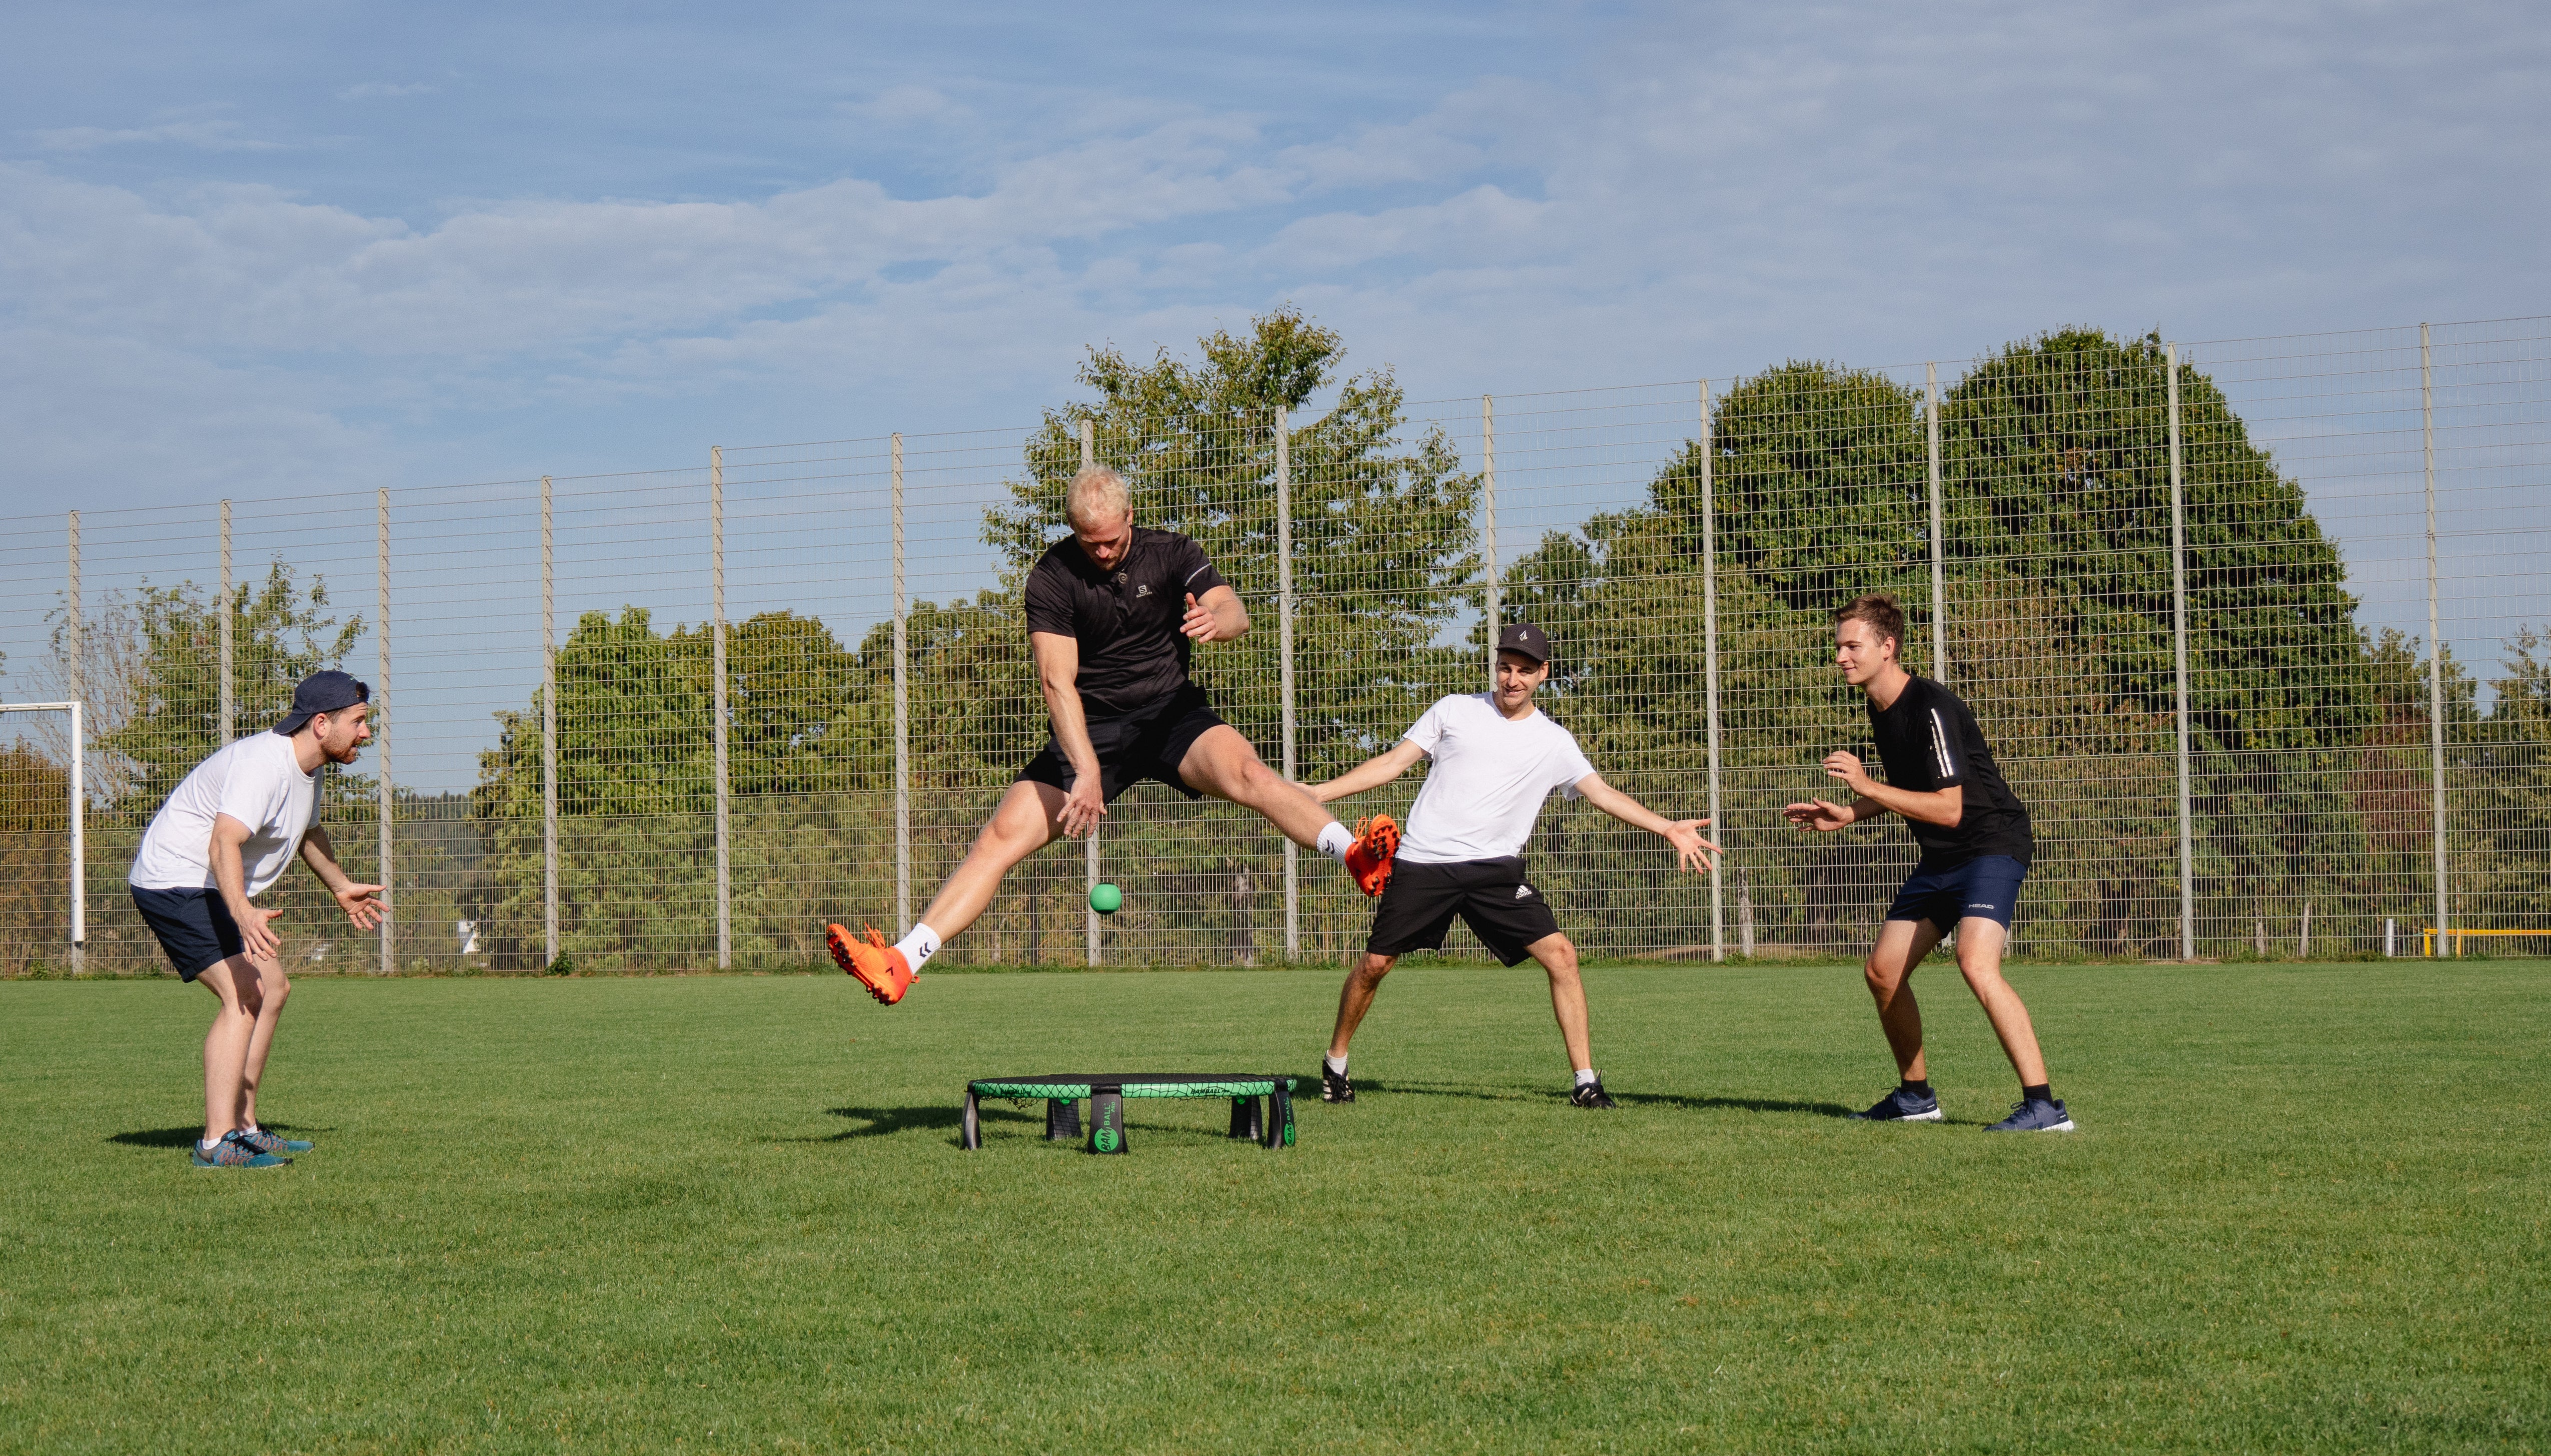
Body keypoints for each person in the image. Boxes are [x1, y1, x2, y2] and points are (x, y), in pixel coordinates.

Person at [827, 466, 1396, 1003]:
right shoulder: (1052, 576)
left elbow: (1234, 610)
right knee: (1001, 835)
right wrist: (1087, 769)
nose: (1101, 552)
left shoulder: (1173, 552)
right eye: (1088, 540)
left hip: (1173, 716)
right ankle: (902, 961)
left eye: (1111, 540)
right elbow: (1057, 682)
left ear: (1129, 517)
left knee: (1249, 773)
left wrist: (1217, 622)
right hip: (1091, 730)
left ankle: (1353, 855)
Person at [1308, 622, 1717, 1107]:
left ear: (1543, 674)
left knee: (1562, 955)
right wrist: (1315, 793)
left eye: (1525, 670)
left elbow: (1601, 793)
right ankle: (1336, 1063)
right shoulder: (1455, 710)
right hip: (1425, 861)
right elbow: (1393, 763)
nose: (1512, 679)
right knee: (1376, 964)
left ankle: (1586, 1082)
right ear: (1496, 666)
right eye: (1506, 667)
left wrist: (1667, 827)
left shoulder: (1554, 741)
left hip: (1494, 872)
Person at [1782, 593, 2072, 1132]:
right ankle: (1916, 1097)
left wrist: (1866, 785)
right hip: (1942, 856)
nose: (1841, 656)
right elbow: (1912, 790)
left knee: (1975, 961)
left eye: (1853, 645)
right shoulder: (1879, 706)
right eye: (1838, 646)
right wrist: (1850, 811)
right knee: (1883, 972)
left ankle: (2045, 1107)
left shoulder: (1931, 707)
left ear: (1887, 647)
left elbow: (1949, 806)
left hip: (1991, 844)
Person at [127, 669, 388, 1168]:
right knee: (245, 995)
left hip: (205, 881)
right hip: (173, 879)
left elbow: (308, 833)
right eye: (358, 721)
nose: (366, 732)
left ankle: (244, 1126)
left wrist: (340, 886)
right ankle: (215, 1142)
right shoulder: (263, 766)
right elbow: (223, 839)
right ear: (320, 724)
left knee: (274, 987)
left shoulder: (308, 769)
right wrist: (242, 911)